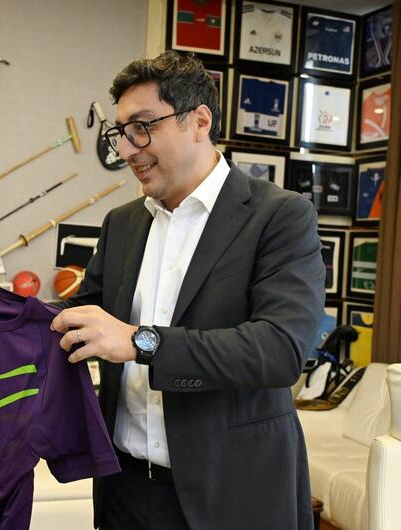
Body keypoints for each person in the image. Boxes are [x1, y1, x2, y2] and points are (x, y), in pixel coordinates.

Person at [48, 51, 325, 529]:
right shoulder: (121, 223)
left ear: (199, 121)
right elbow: (76, 314)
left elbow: (280, 350)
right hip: (124, 491)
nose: (127, 150)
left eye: (142, 128)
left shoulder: (280, 216)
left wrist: (139, 342)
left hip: (233, 494)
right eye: (121, 133)